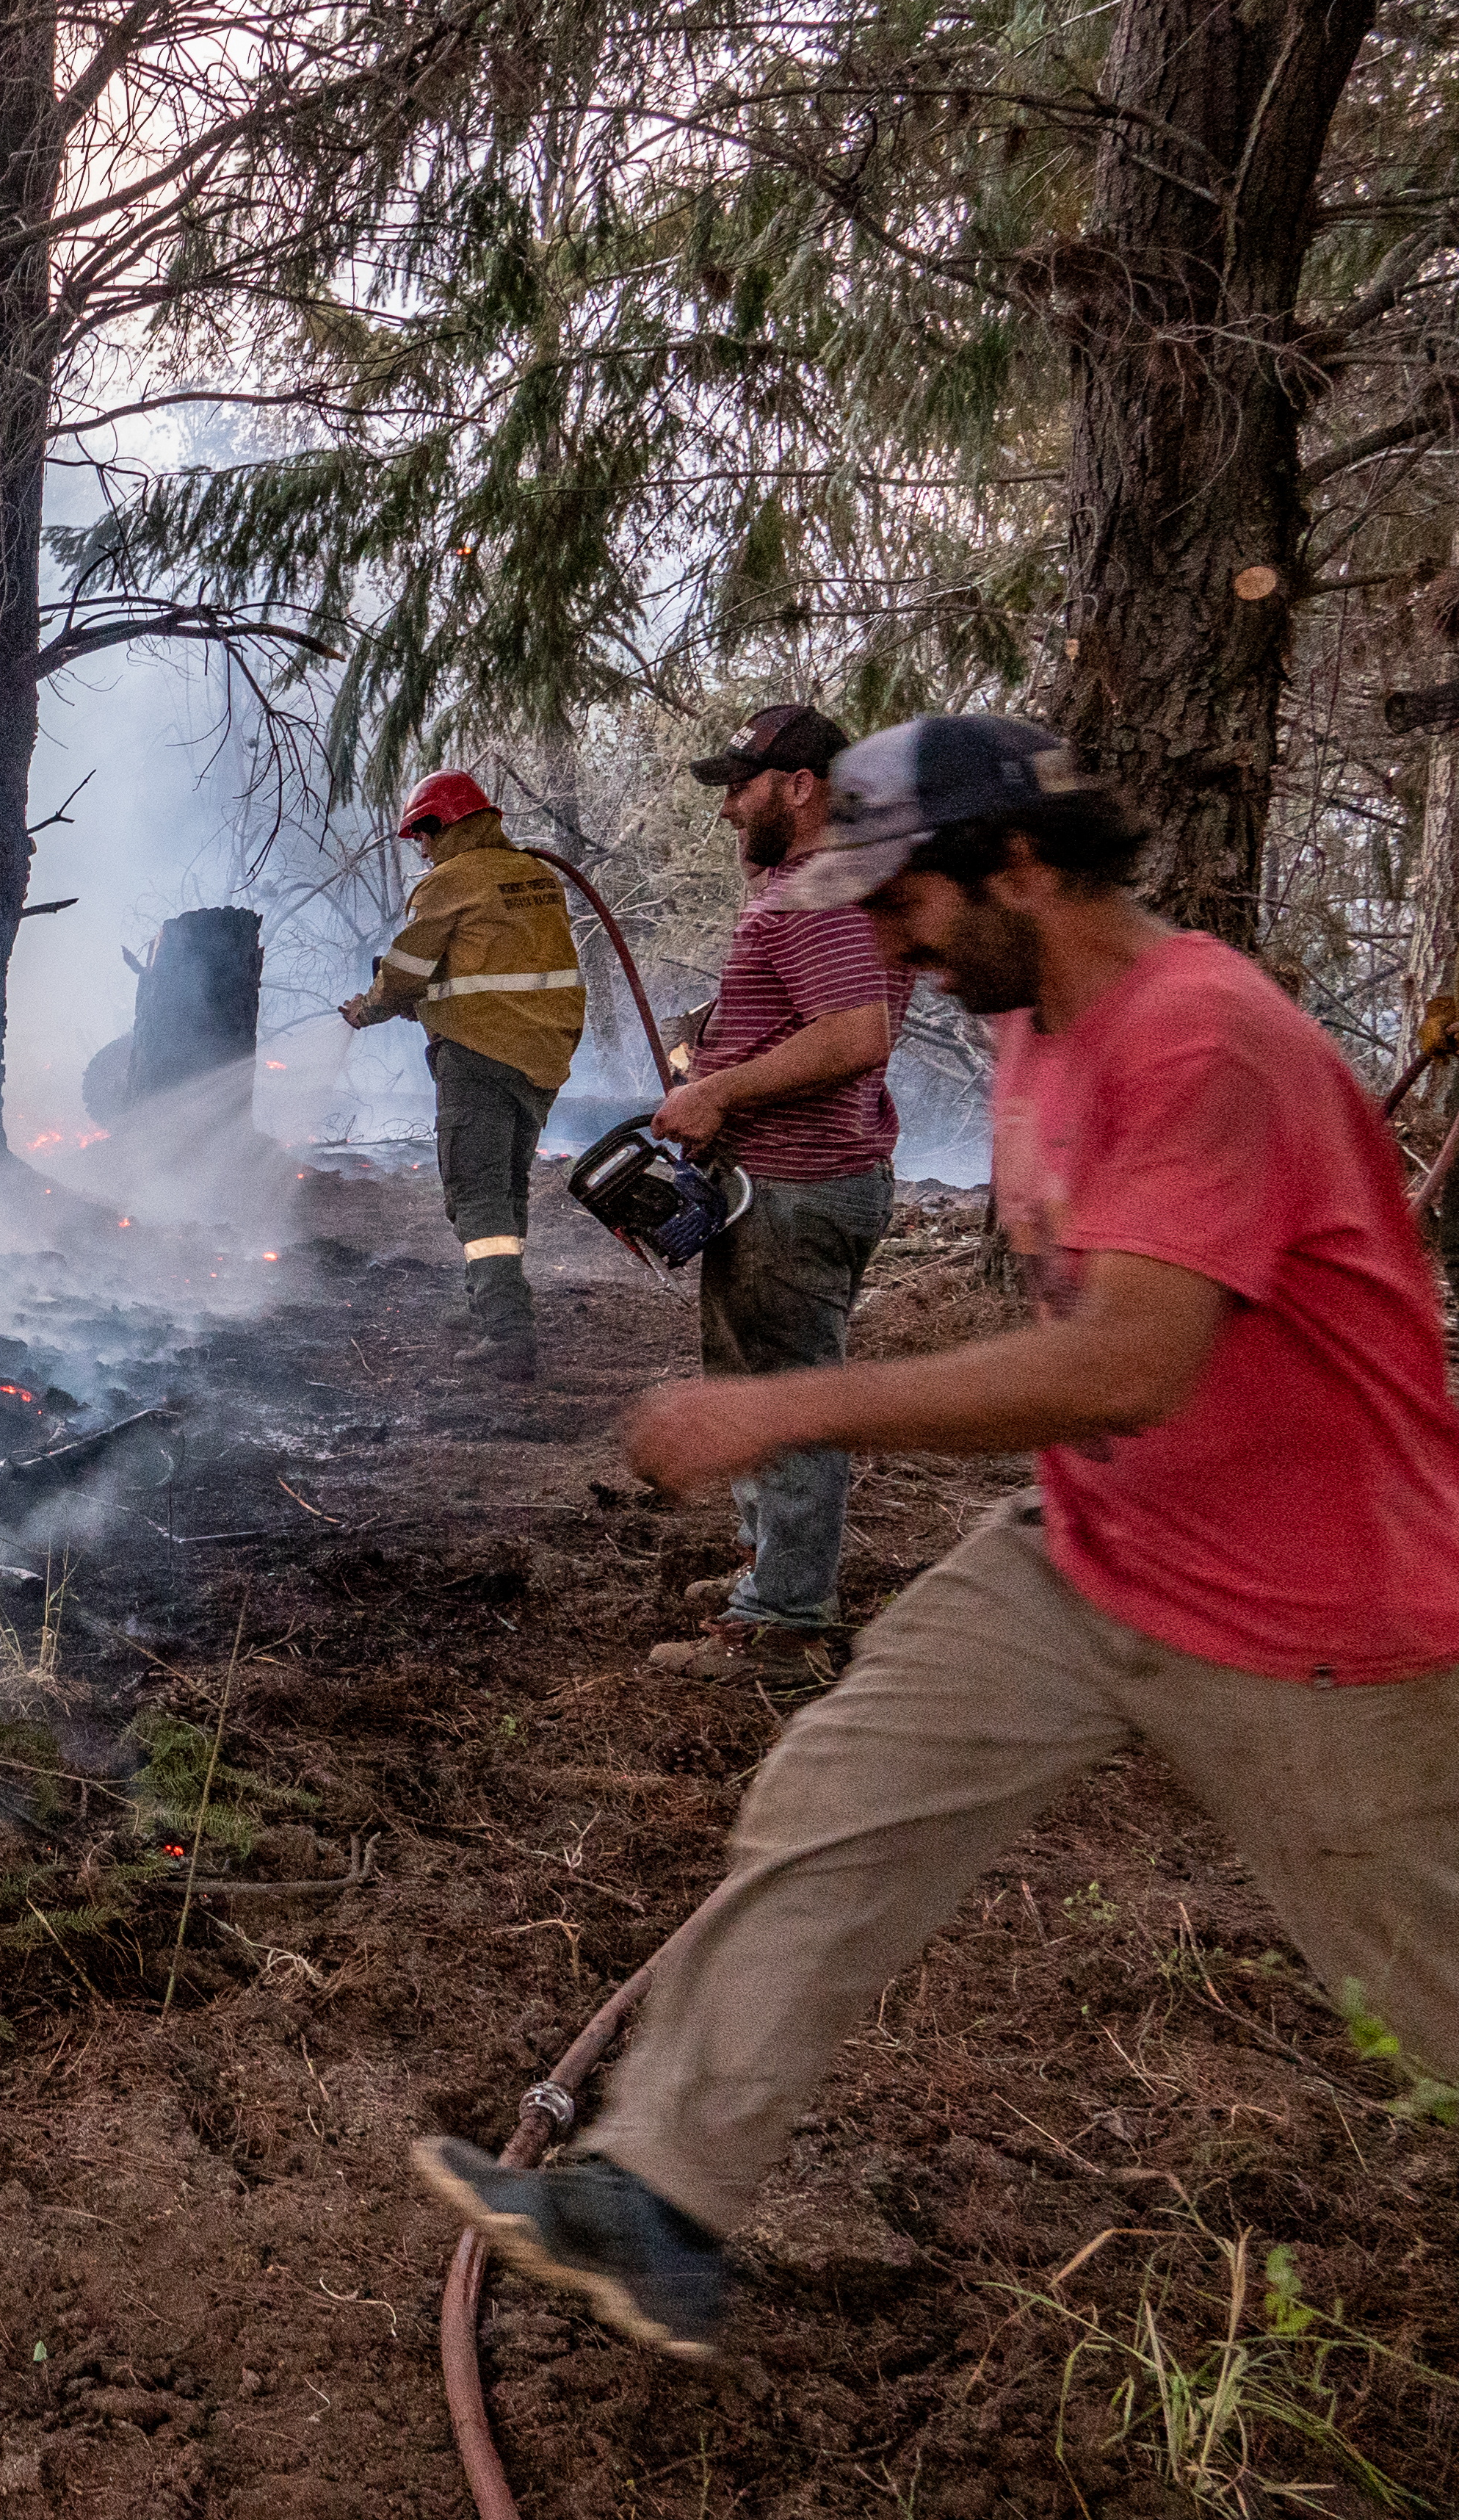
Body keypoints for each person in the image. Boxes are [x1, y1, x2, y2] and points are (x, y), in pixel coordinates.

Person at [410, 715, 1459, 2362]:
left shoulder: (1201, 1042)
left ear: (1022, 865)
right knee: (837, 1802)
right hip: (1093, 1544)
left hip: (1318, 1614)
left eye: (902, 902)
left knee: (1436, 1994)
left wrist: (788, 1406)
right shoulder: (1041, 1016)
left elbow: (1131, 1357)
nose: (884, 941)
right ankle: (658, 2200)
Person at [643, 704, 919, 1684]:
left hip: (798, 1190)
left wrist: (716, 1088)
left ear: (800, 786)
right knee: (760, 1392)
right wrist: (713, 1045)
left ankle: (787, 1621)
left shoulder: (818, 894)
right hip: (782, 1186)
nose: (726, 809)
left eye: (741, 786)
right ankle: (772, 1566)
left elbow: (854, 1036)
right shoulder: (817, 890)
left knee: (791, 1401)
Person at [340, 769, 588, 1379]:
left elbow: (406, 968)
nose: (421, 848)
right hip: (543, 1056)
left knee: (475, 1195)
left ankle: (506, 1333)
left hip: (478, 1053)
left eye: (423, 834)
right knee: (507, 1187)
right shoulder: (537, 876)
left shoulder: (451, 883)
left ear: (444, 824)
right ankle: (489, 1301)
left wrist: (369, 1008)